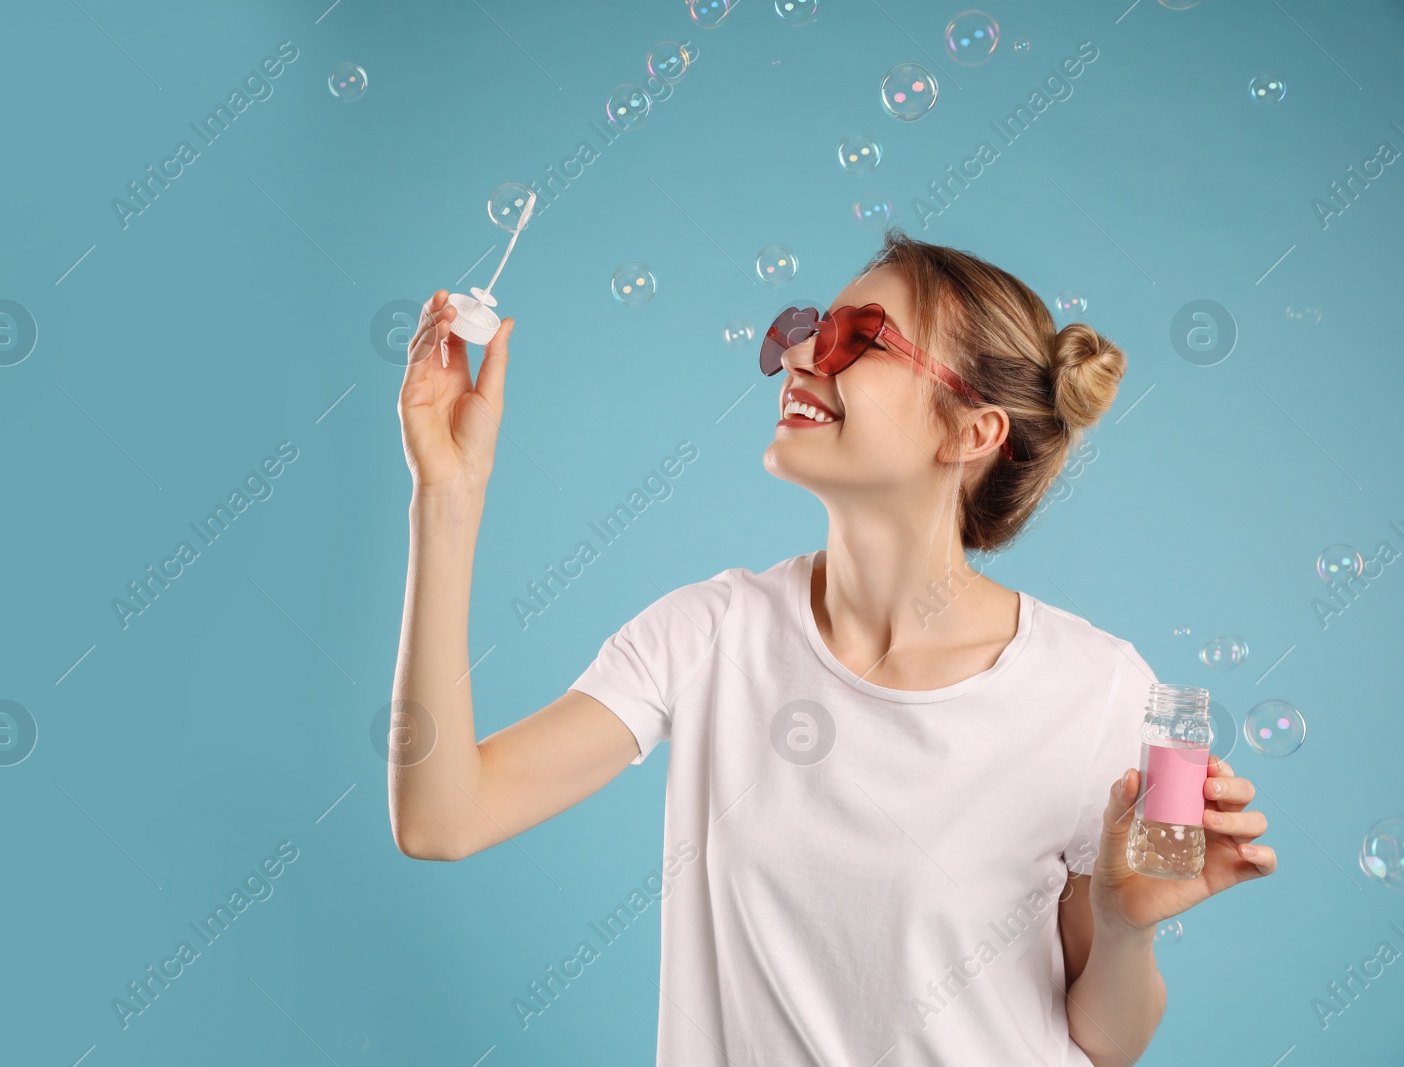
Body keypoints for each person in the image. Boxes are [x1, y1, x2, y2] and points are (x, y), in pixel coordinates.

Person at [390, 229, 1276, 1065]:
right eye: (812, 327)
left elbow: (1107, 1042)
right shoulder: (710, 636)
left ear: (972, 433)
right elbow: (443, 816)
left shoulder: (1096, 688)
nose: (805, 355)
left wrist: (1126, 927)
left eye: (862, 338)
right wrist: (448, 492)